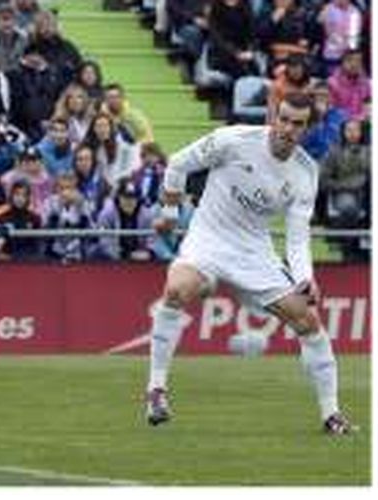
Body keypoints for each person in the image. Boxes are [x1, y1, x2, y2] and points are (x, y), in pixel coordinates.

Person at [143, 92, 352, 434]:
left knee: (308, 320)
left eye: (297, 123)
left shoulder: (305, 173)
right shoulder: (233, 140)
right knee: (177, 290)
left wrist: (305, 278)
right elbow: (178, 163)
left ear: (306, 128)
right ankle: (156, 391)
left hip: (255, 252)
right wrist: (168, 214)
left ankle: (331, 415)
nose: (287, 128)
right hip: (208, 240)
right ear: (273, 115)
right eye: (283, 119)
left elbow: (297, 237)